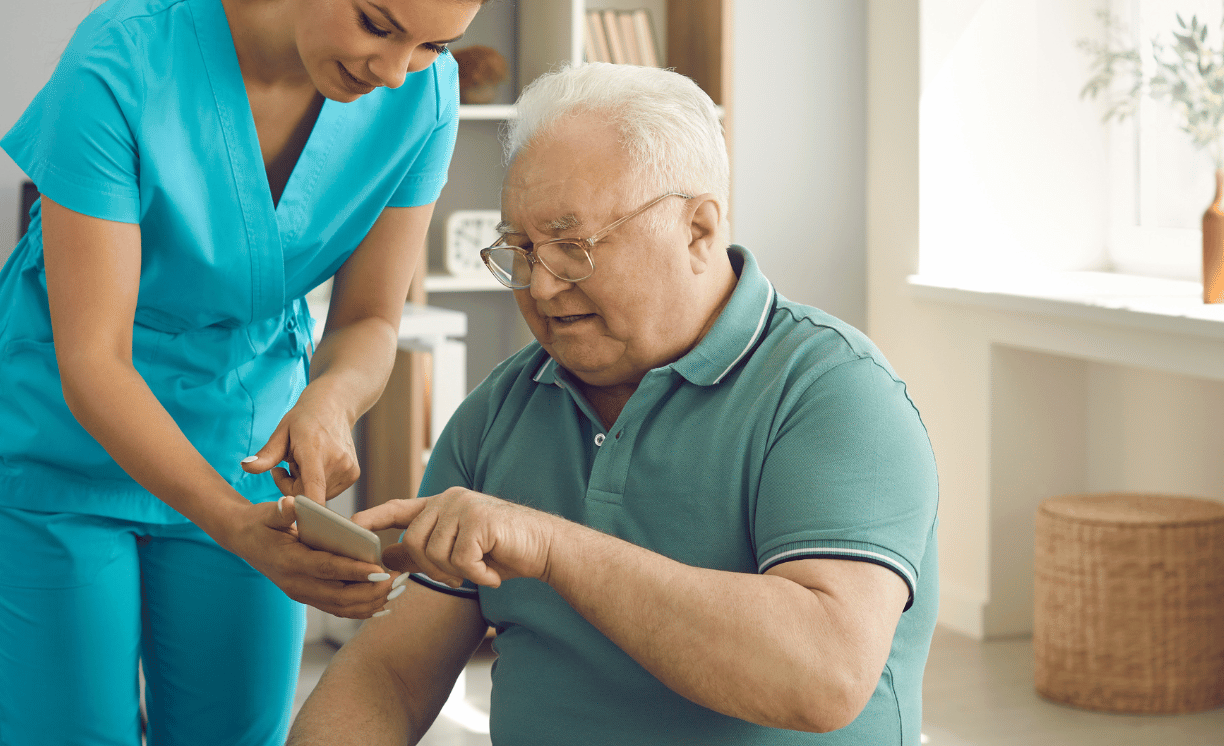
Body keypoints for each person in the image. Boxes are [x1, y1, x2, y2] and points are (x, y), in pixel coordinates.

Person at [0, 0, 515, 743]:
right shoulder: (125, 55)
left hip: (242, 443)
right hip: (60, 446)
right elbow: (92, 359)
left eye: (434, 44)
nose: (397, 71)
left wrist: (329, 399)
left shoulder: (422, 98)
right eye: (378, 24)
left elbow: (370, 317)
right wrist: (231, 526)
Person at [289, 63, 940, 745]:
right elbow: (390, 677)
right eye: (521, 250)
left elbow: (823, 678)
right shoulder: (496, 413)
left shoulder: (834, 392)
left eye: (572, 248)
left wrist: (549, 547)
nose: (540, 287)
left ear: (698, 230)